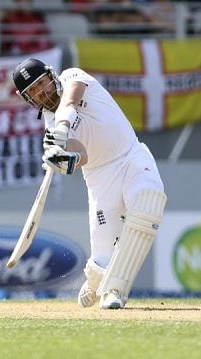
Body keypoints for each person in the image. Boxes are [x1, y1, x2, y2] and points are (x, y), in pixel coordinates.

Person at [12, 58, 167, 309]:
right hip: (99, 179)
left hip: (131, 157)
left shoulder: (73, 77)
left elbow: (71, 101)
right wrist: (66, 159)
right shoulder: (50, 127)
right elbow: (81, 155)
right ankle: (96, 280)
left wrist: (62, 126)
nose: (42, 92)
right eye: (34, 91)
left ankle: (115, 290)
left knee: (148, 201)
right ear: (27, 98)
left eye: (42, 83)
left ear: (51, 76)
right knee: (103, 259)